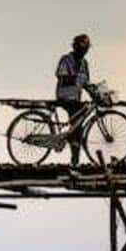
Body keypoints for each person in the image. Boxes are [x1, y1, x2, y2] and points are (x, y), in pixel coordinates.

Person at [56, 33, 99, 166]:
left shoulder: (84, 63)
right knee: (77, 127)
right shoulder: (66, 59)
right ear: (76, 47)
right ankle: (75, 159)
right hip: (65, 96)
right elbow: (61, 76)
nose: (85, 50)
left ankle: (74, 151)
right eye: (82, 47)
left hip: (75, 98)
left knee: (77, 124)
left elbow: (86, 83)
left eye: (86, 48)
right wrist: (76, 78)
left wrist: (96, 93)